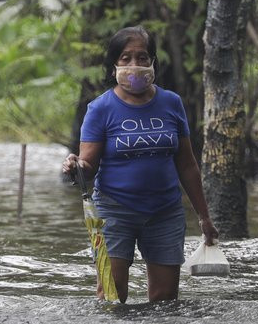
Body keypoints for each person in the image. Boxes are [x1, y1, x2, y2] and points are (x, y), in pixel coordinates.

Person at [62, 26, 218, 303]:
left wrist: (204, 217)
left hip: (165, 213)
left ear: (153, 63)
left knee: (165, 301)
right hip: (114, 211)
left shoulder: (172, 103)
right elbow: (89, 166)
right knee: (111, 296)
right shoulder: (100, 108)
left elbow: (187, 165)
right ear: (113, 67)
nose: (135, 65)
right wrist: (76, 166)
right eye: (126, 58)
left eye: (143, 58)